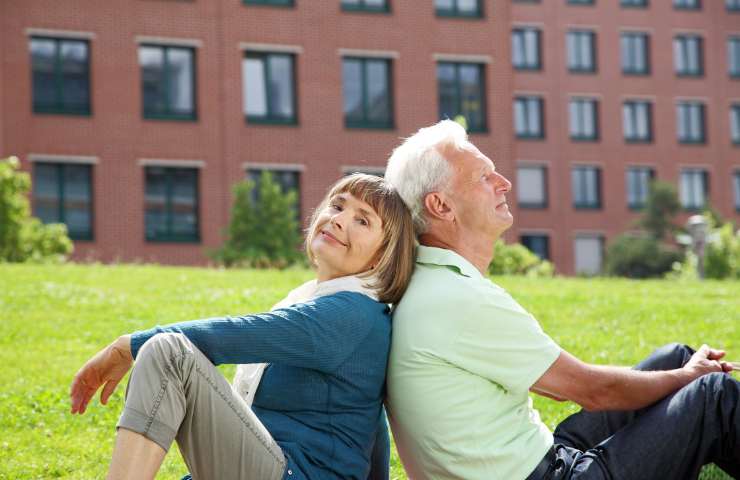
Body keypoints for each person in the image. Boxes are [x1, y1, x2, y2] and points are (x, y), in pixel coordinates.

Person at [384, 120, 740, 480]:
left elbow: (552, 386)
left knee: (674, 357)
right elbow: (593, 390)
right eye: (483, 177)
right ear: (441, 206)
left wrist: (681, 370)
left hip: (538, 458)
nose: (503, 183)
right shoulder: (458, 298)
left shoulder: (433, 284)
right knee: (713, 396)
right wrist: (687, 378)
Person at [69, 173, 416, 480]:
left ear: (384, 254)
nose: (339, 220)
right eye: (337, 205)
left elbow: (235, 336)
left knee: (168, 353)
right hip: (276, 466)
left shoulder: (354, 312)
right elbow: (372, 423)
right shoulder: (319, 302)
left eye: (363, 221)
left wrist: (127, 346)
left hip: (295, 472)